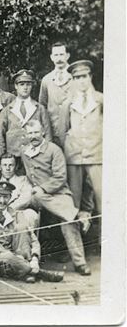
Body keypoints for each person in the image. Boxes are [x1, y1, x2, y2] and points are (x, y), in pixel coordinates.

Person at [21, 119, 91, 275]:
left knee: (68, 223)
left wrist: (43, 188)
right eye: (30, 133)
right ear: (26, 135)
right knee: (25, 204)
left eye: (36, 132)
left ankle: (80, 263)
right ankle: (74, 214)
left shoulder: (54, 150)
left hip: (58, 193)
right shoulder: (24, 152)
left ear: (43, 132)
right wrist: (36, 190)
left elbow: (60, 178)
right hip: (37, 195)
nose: (33, 136)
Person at [0, 181, 64, 283]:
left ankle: (27, 272)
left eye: (6, 197)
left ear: (10, 198)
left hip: (20, 256)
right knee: (6, 258)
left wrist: (34, 258)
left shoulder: (16, 214)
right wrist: (12, 257)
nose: (2, 201)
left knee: (21, 227)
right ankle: (39, 273)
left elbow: (32, 238)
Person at [62, 60, 103, 218]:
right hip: (74, 157)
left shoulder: (100, 100)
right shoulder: (68, 103)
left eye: (84, 76)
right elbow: (62, 130)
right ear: (73, 80)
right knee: (73, 201)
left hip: (96, 156)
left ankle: (104, 240)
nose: (81, 80)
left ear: (90, 76)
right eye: (77, 77)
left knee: (102, 199)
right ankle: (75, 241)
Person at [0, 69, 52, 161]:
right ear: (16, 86)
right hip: (13, 159)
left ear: (32, 86)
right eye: (22, 84)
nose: (25, 87)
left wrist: (45, 156)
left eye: (28, 84)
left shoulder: (39, 108)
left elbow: (48, 135)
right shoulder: (7, 110)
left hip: (35, 156)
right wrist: (3, 158)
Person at [39, 42, 74, 147]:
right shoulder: (46, 79)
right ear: (51, 57)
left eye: (61, 54)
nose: (59, 58)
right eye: (56, 55)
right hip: (54, 133)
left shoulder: (75, 77)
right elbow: (42, 106)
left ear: (67, 56)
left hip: (72, 130)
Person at [0, 153, 39, 228]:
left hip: (19, 213)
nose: (8, 168)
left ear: (16, 167)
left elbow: (26, 198)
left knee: (30, 214)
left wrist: (9, 210)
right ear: (0, 167)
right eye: (5, 165)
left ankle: (25, 238)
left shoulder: (23, 180)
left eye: (11, 165)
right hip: (1, 217)